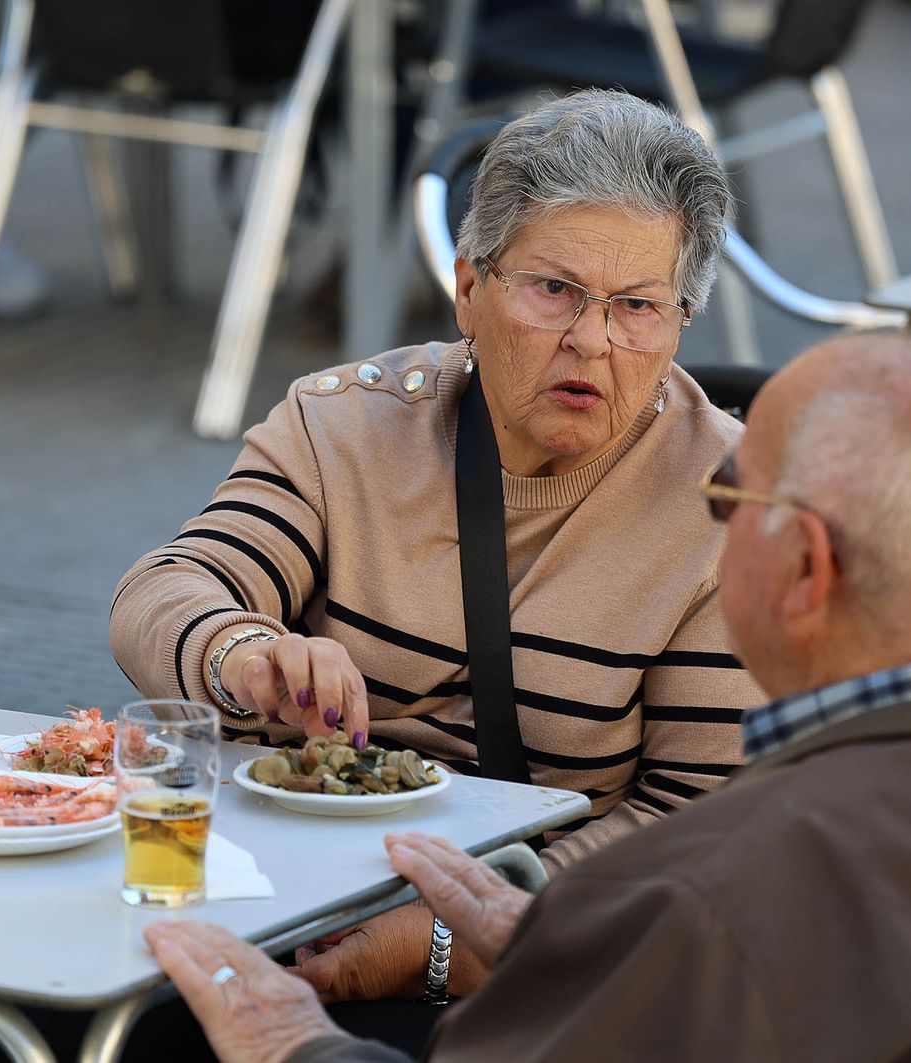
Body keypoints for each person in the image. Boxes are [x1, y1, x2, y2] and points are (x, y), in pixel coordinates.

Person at [146, 334, 911, 1063]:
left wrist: (295, 1037)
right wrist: (565, 938)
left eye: (730, 493)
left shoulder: (719, 892)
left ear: (803, 566)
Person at [108, 90, 760, 1010]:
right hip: (287, 892)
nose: (591, 338)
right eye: (554, 290)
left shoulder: (729, 506)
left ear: (680, 320)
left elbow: (694, 823)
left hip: (540, 945)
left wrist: (443, 941)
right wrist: (240, 652)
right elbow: (165, 588)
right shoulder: (349, 426)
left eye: (636, 306)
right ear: (469, 287)